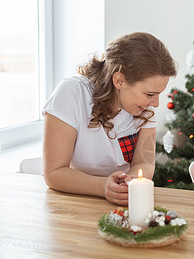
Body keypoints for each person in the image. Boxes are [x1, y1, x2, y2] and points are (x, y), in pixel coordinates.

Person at [42, 32, 177, 206]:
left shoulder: (144, 108)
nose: (156, 103)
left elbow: (144, 162)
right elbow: (54, 173)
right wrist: (103, 186)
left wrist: (129, 184)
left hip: (119, 205)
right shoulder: (72, 94)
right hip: (73, 205)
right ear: (119, 80)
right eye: (150, 94)